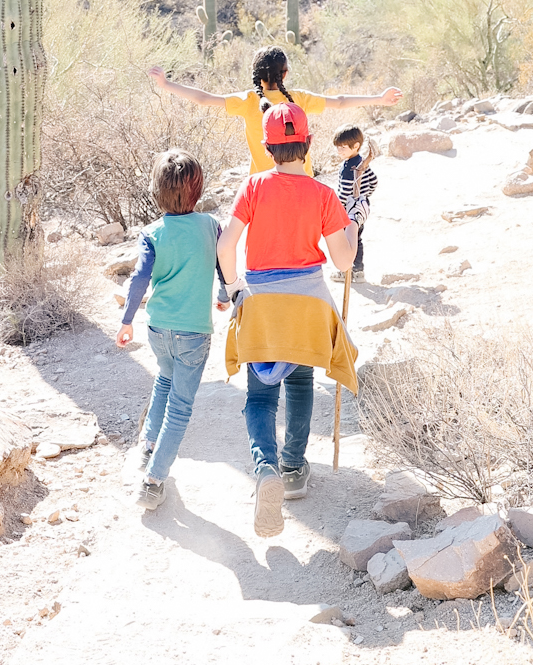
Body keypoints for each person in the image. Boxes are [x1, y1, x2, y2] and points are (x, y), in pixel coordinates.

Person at [215, 103, 358, 538]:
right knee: (300, 384)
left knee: (260, 399)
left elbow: (226, 245)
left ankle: (266, 469)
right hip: (308, 301)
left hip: (262, 301)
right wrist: (351, 225)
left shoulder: (254, 186)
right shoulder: (322, 194)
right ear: (310, 144)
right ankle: (294, 468)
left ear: (267, 146)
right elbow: (343, 259)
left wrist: (234, 287)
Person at [116, 149, 224, 511]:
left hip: (159, 329)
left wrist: (127, 320)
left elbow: (138, 280)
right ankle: (153, 480)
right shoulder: (210, 225)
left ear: (156, 191)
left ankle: (147, 446)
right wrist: (225, 295)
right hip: (194, 332)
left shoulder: (152, 233)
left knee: (164, 378)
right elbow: (224, 265)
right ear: (198, 189)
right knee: (180, 407)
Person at [147, 46, 402, 177]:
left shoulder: (248, 101)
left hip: (264, 184)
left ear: (255, 77)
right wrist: (379, 98)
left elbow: (203, 98)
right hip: (303, 181)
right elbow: (340, 101)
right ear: (286, 74)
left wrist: (166, 84)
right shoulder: (299, 99)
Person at [333, 125, 378, 279]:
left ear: (356, 146)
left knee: (347, 242)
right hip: (361, 210)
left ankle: (345, 271)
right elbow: (374, 181)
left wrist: (337, 210)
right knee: (357, 239)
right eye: (338, 147)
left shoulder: (348, 169)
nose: (339, 150)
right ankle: (358, 271)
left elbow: (344, 195)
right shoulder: (362, 163)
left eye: (343, 147)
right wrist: (364, 197)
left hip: (348, 213)